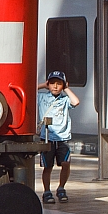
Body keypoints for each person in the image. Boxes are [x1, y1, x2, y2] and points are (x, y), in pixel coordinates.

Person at [37, 70, 79, 204]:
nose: (55, 86)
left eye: (59, 84)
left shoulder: (65, 99)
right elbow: (29, 90)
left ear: (64, 85)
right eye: (52, 83)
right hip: (47, 137)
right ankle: (46, 191)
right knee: (47, 167)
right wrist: (43, 85)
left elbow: (76, 102)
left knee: (65, 164)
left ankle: (61, 188)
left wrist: (67, 89)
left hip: (63, 138)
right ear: (48, 84)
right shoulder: (42, 97)